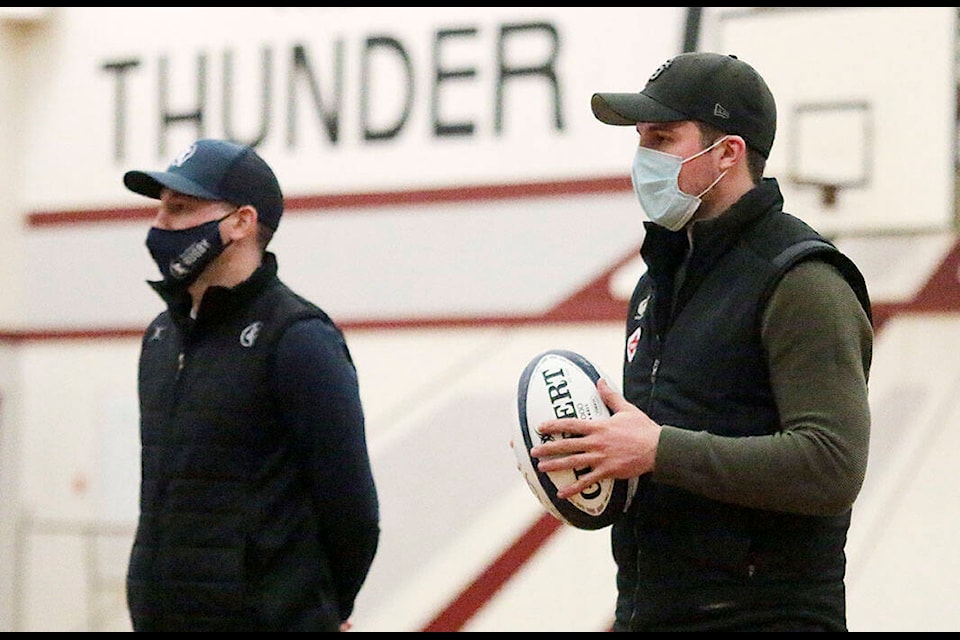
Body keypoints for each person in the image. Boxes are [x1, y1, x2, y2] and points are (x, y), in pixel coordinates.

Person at [530, 52, 873, 631]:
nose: (643, 159)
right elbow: (660, 457)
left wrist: (659, 449)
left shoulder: (802, 280)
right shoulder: (657, 283)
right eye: (640, 140)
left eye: (663, 138)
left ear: (727, 153)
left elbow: (832, 465)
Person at [122, 138, 380, 632]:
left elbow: (353, 512)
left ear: (241, 222)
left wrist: (318, 610)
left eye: (180, 208)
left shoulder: (299, 339)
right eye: (160, 209)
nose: (160, 225)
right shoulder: (160, 336)